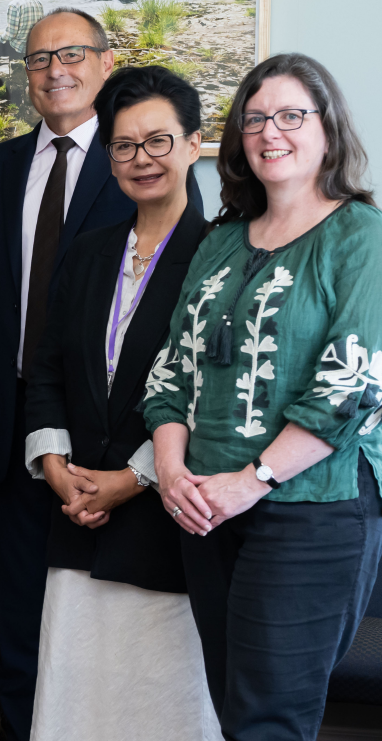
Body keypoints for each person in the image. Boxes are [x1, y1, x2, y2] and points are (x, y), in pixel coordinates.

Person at [0, 7, 202, 741]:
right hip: (24, 440)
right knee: (30, 633)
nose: (55, 70)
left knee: (143, 656)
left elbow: (194, 367)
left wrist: (136, 472)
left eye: (71, 54)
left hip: (146, 456)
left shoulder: (183, 210)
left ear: (104, 62)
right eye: (37, 58)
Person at [145, 53, 382, 740]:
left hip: (309, 512)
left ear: (328, 131)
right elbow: (171, 372)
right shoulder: (219, 241)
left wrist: (254, 481)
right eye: (254, 119)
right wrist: (169, 470)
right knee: (233, 712)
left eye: (289, 115)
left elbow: (352, 384)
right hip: (204, 512)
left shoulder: (361, 235)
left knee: (269, 722)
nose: (270, 132)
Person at [21, 66, 218, 740]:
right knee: (79, 704)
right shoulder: (88, 253)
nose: (142, 159)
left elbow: (209, 393)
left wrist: (131, 479)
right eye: (124, 145)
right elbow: (46, 367)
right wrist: (54, 465)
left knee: (164, 707)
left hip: (168, 526)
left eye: (158, 140)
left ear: (195, 144)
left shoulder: (223, 255)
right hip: (76, 518)